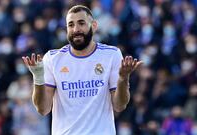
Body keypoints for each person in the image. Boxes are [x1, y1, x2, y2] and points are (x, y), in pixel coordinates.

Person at [22, 5, 142, 135]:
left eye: (81, 23)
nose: (76, 29)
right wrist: (38, 77)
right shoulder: (53, 59)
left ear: (94, 26)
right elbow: (43, 109)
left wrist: (123, 79)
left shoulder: (111, 55)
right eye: (71, 25)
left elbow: (120, 105)